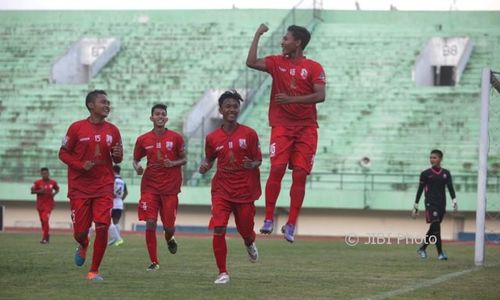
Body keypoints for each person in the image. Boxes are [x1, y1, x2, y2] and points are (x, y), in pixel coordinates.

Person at [246, 24, 326, 242]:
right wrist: (257, 34)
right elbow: (251, 62)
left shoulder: (314, 67)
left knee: (300, 174)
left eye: (285, 38)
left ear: (297, 42)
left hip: (307, 128)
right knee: (278, 167)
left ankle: (291, 224)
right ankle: (269, 218)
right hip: (281, 126)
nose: (282, 42)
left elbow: (320, 96)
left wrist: (291, 99)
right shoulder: (275, 62)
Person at [59, 90, 123, 281]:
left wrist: (118, 154)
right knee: (80, 232)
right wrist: (80, 165)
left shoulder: (113, 130)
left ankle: (94, 270)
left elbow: (118, 157)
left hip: (104, 185)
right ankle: (83, 243)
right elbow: (63, 153)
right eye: (103, 102)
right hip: (80, 188)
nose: (107, 105)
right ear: (90, 105)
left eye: (108, 103)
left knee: (102, 226)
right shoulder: (76, 128)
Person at [199, 90, 262, 284]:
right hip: (222, 190)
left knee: (246, 231)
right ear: (221, 110)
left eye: (235, 106)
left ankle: (249, 242)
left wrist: (254, 164)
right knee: (219, 228)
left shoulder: (249, 134)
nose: (232, 109)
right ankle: (223, 272)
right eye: (228, 106)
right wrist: (205, 166)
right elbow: (209, 159)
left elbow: (258, 158)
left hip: (244, 191)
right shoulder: (212, 138)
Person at [133, 103, 186, 271]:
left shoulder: (176, 138)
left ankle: (169, 238)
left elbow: (184, 159)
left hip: (170, 188)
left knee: (168, 227)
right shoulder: (143, 139)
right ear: (152, 118)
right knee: (150, 223)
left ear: (167, 118)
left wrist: (173, 163)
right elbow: (135, 160)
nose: (160, 116)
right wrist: (138, 168)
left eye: (163, 113)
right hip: (149, 187)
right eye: (157, 114)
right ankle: (154, 262)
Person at [412, 149, 458, 260]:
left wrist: (454, 200)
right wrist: (416, 204)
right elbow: (420, 189)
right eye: (431, 157)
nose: (432, 159)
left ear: (440, 159)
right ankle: (440, 253)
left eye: (434, 157)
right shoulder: (425, 174)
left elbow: (450, 187)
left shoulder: (446, 173)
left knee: (433, 229)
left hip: (441, 204)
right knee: (437, 227)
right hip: (430, 203)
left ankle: (422, 248)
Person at [31, 167, 59, 244]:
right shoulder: (37, 182)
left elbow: (57, 189)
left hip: (49, 205)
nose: (44, 175)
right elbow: (32, 191)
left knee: (45, 220)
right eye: (43, 173)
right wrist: (40, 191)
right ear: (41, 174)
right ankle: (47, 235)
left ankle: (44, 239)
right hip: (40, 205)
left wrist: (54, 194)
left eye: (46, 173)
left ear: (48, 173)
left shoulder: (53, 182)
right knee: (43, 222)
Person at [108, 164, 128, 246]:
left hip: (112, 201)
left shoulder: (112, 179)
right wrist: (121, 199)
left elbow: (110, 190)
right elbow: (126, 192)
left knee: (108, 221)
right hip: (119, 202)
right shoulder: (122, 181)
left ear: (113, 171)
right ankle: (116, 240)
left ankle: (117, 239)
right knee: (116, 222)